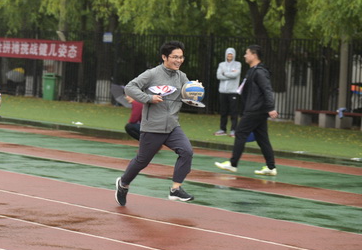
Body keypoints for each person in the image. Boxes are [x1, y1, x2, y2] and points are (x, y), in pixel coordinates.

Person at [115, 40, 196, 206]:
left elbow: (187, 95)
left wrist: (194, 96)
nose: (179, 60)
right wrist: (148, 98)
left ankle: (176, 189)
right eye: (175, 57)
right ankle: (123, 184)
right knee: (142, 161)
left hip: (172, 126)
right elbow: (130, 88)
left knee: (187, 151)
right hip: (153, 127)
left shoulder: (182, 77)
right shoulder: (151, 74)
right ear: (164, 57)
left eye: (181, 57)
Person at [215, 45, 279, 176]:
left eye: (247, 53)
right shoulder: (252, 70)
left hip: (256, 109)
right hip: (256, 109)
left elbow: (267, 89)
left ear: (254, 55)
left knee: (240, 133)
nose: (245, 55)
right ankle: (271, 167)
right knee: (262, 138)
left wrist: (271, 108)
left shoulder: (259, 72)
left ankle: (233, 164)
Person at [215, 48, 241, 136]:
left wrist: (225, 73)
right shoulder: (221, 64)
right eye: (228, 54)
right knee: (223, 111)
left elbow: (235, 75)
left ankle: (233, 130)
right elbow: (218, 76)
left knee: (233, 112)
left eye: (231, 54)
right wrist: (230, 74)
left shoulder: (238, 64)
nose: (229, 56)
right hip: (223, 91)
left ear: (234, 55)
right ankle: (222, 129)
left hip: (233, 91)